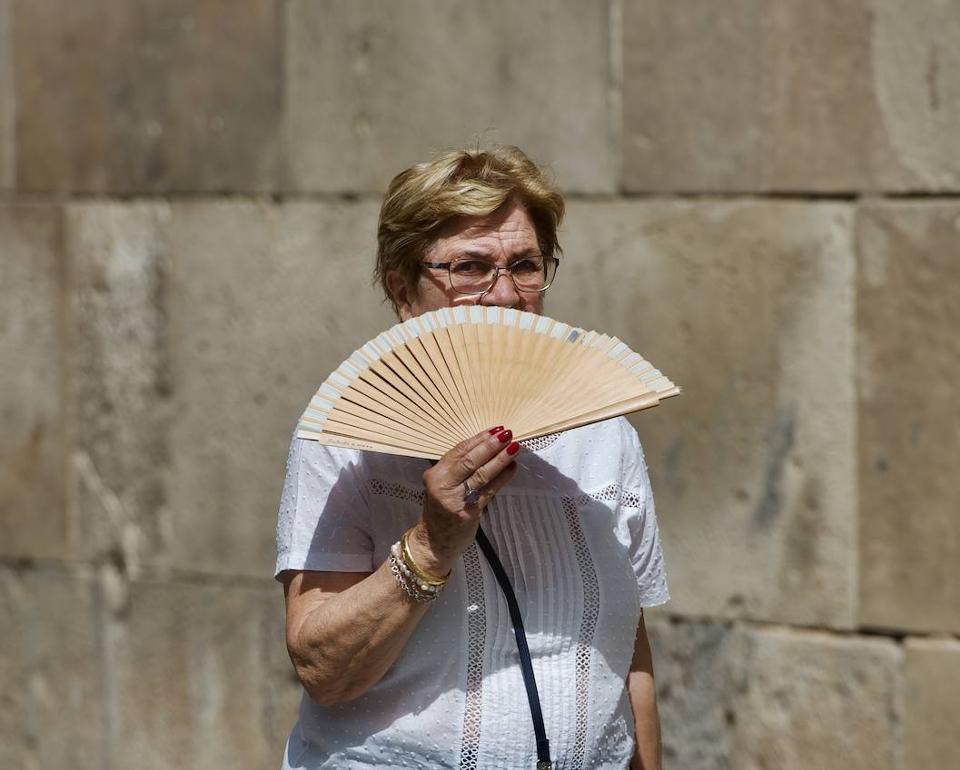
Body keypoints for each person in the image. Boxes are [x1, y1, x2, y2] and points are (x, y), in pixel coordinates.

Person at [275, 146, 668, 769]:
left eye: (525, 264)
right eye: (470, 268)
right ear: (404, 290)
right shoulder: (345, 443)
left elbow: (628, 653)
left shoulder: (604, 430)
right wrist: (430, 547)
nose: (505, 295)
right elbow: (322, 669)